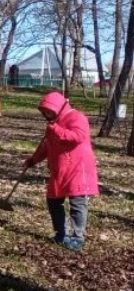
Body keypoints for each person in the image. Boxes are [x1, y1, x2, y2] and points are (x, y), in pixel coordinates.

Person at [23, 90, 99, 250]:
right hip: (59, 168)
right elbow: (46, 145)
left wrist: (55, 129)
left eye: (49, 111)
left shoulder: (77, 117)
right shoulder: (53, 124)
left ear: (58, 108)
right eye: (44, 112)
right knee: (53, 200)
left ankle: (77, 237)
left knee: (77, 202)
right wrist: (33, 160)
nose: (47, 115)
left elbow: (78, 136)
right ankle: (61, 234)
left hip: (78, 167)